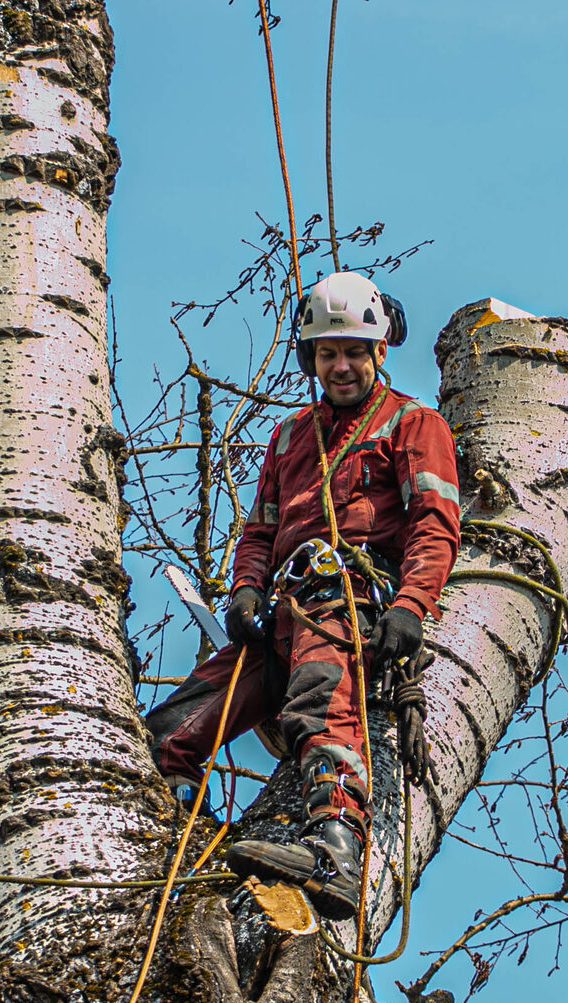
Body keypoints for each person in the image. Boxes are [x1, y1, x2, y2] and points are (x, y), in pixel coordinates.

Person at [146, 271, 461, 920]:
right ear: (310, 358)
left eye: (352, 350)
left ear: (379, 351)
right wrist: (243, 593)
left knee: (321, 702)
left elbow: (435, 523)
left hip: (345, 601)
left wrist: (409, 607)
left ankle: (336, 849)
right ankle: (171, 829)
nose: (340, 366)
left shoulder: (411, 423)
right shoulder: (292, 437)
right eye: (326, 353)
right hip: (280, 613)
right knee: (175, 726)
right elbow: (260, 529)